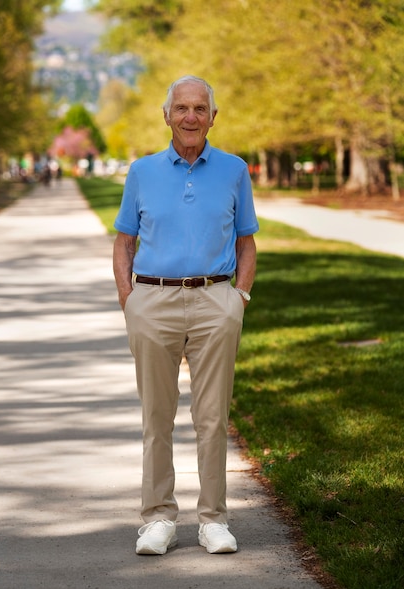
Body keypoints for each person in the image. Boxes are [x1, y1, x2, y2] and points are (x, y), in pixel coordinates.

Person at [113, 75, 259, 555]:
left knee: (211, 417)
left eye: (200, 108)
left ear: (213, 117)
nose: (191, 117)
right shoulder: (142, 171)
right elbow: (123, 243)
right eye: (182, 108)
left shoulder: (235, 170)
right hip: (152, 301)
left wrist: (238, 298)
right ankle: (157, 518)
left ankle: (213, 519)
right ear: (167, 115)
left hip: (215, 301)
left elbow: (246, 242)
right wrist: (129, 300)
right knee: (157, 416)